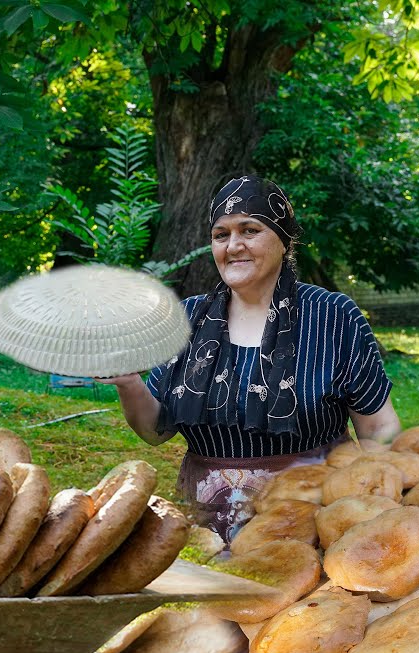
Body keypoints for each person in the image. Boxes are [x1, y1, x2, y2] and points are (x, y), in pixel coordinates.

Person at [106, 175, 401, 542]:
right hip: (206, 529)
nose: (233, 246)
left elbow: (378, 428)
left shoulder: (333, 316)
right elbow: (155, 431)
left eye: (250, 230)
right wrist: (129, 382)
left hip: (313, 522)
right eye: (221, 235)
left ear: (283, 240)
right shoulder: (187, 320)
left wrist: (374, 503)